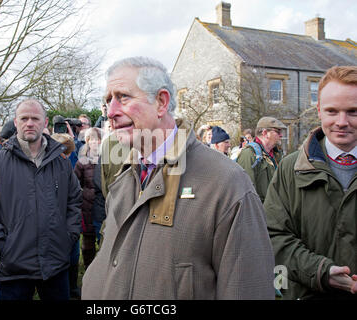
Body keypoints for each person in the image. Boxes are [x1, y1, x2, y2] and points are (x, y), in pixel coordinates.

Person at [81, 56, 275, 300]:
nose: (111, 112)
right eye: (107, 101)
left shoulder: (226, 182)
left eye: (123, 97)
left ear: (161, 102)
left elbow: (247, 288)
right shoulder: (124, 178)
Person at [0, 98, 82, 301]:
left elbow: (74, 202)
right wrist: (2, 243)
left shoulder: (61, 162)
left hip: (55, 265)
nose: (30, 123)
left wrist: (67, 236)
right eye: (24, 118)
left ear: (44, 123)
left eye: (35, 118)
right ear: (16, 122)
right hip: (13, 267)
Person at [264, 65, 357, 300]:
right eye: (332, 111)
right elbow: (273, 237)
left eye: (353, 111)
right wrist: (320, 271)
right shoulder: (289, 169)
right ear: (319, 111)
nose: (342, 121)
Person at [236, 117, 286, 203]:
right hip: (260, 212)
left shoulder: (277, 155)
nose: (281, 135)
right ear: (265, 133)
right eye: (278, 131)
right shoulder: (249, 154)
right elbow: (246, 194)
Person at [74, 127, 103, 270]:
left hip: (102, 206)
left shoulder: (106, 160)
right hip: (87, 207)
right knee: (88, 241)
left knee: (103, 239)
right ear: (87, 141)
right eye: (92, 139)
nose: (96, 142)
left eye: (98, 139)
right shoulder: (82, 162)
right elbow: (74, 184)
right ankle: (89, 268)